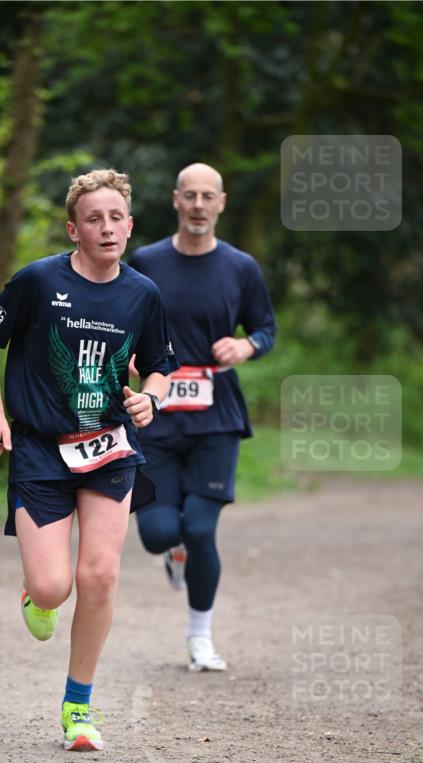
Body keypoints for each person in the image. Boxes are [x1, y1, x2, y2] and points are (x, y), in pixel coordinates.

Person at [0, 169, 175, 751]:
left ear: (131, 226)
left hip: (109, 448)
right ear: (74, 228)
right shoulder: (38, 280)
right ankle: (37, 595)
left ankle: (78, 708)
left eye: (116, 218)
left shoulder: (143, 293)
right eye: (94, 219)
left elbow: (159, 362)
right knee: (56, 585)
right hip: (39, 446)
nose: (106, 228)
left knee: (101, 575)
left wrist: (151, 398)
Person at [128, 162, 276, 672]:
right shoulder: (145, 261)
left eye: (206, 196)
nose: (197, 205)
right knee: (157, 532)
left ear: (221, 203)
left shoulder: (241, 267)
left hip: (216, 419)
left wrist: (245, 345)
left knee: (200, 528)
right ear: (175, 200)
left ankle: (200, 637)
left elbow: (265, 329)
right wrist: (127, 357)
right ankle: (172, 556)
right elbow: (122, 319)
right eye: (189, 195)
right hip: (156, 415)